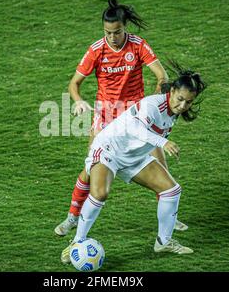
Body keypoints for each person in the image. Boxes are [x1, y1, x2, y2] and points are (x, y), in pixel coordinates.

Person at [55, 0, 189, 236]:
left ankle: (169, 216)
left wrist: (159, 92)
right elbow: (74, 84)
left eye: (116, 32)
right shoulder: (96, 50)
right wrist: (78, 102)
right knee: (91, 169)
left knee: (160, 165)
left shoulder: (138, 45)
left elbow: (161, 74)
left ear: (124, 27)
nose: (112, 37)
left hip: (135, 115)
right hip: (106, 115)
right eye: (107, 33)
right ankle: (72, 217)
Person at [61, 62, 207, 263]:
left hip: (134, 157)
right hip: (108, 149)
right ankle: (77, 241)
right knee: (100, 193)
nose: (182, 106)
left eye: (188, 103)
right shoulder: (152, 105)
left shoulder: (173, 112)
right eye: (180, 99)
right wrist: (163, 142)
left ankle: (163, 241)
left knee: (171, 190)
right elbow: (136, 130)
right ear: (172, 91)